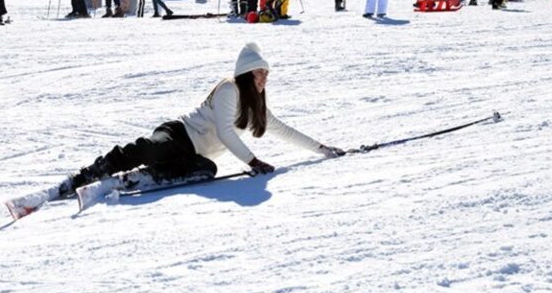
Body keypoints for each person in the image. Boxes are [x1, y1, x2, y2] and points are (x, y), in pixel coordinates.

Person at [53, 43, 347, 197]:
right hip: (180, 134)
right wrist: (253, 162)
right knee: (148, 148)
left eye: (267, 74)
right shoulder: (228, 89)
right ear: (246, 74)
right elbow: (225, 132)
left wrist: (323, 149)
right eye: (260, 72)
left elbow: (284, 131)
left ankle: (135, 179)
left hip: (195, 154)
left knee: (206, 170)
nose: (265, 78)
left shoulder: (256, 107)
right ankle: (88, 175)